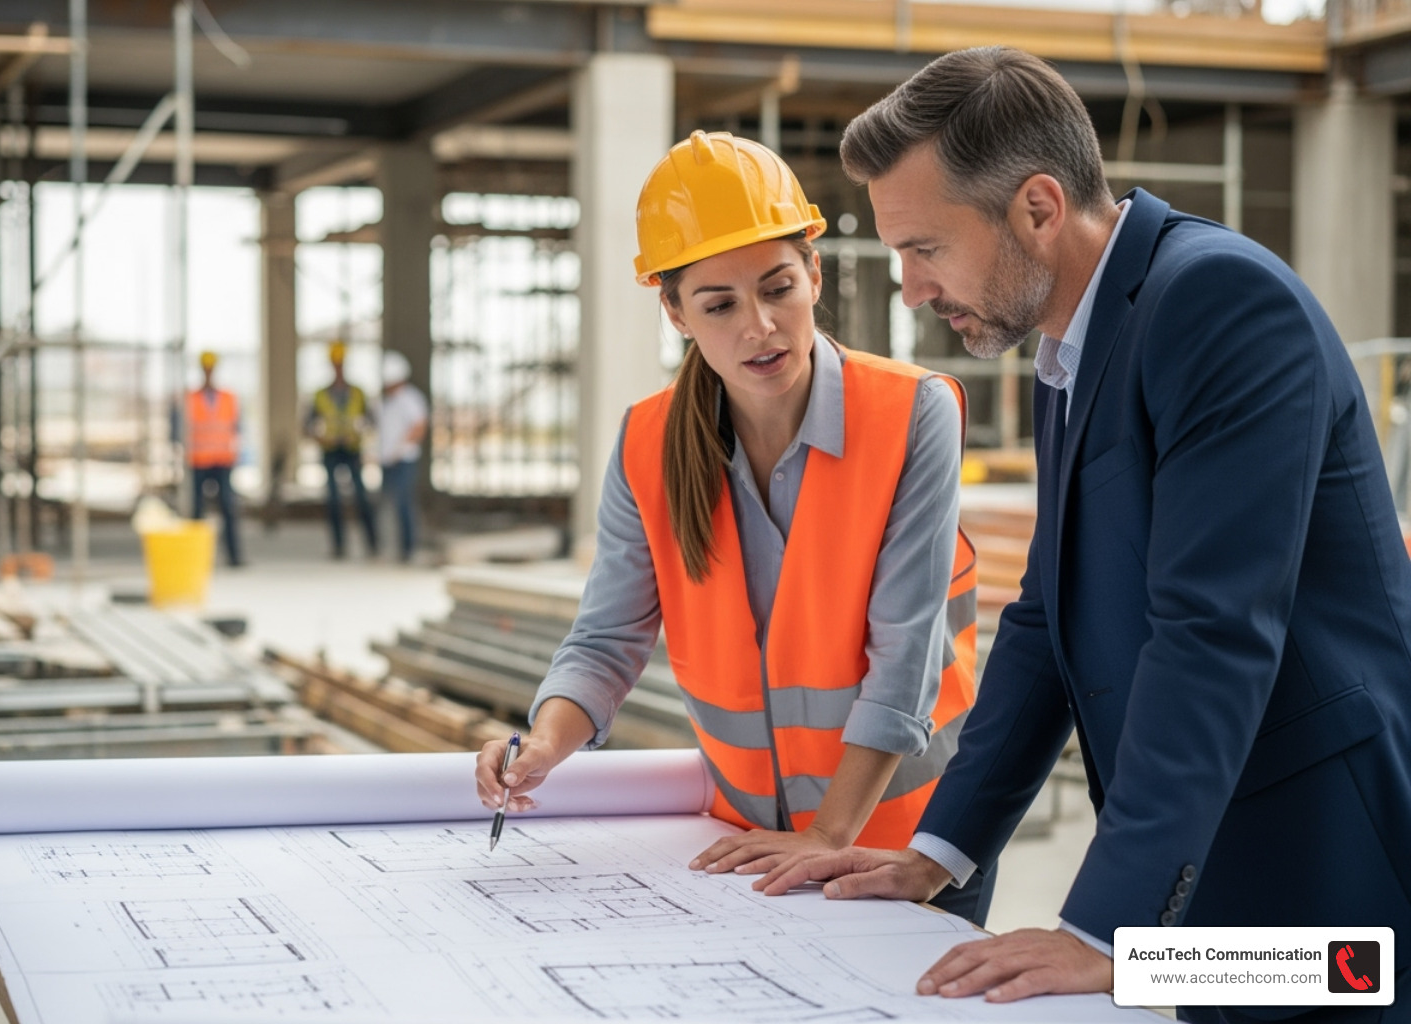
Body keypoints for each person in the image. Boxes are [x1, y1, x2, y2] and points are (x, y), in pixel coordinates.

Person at [757, 47, 1411, 1023]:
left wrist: (1101, 928)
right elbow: (1046, 622)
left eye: (925, 248)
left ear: (1037, 208)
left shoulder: (1220, 305)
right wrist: (935, 853)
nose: (907, 288)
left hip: (1321, 884)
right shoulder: (1070, 348)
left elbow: (1212, 633)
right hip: (1211, 876)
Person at [474, 130, 994, 925]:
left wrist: (828, 832)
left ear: (815, 273)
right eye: (718, 304)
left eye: (778, 287)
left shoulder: (911, 413)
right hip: (753, 843)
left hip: (906, 840)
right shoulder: (648, 443)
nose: (759, 326)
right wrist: (545, 742)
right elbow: (607, 638)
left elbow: (906, 658)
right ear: (675, 310)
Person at [306, 340, 377, 559]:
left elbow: (371, 421)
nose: (338, 367)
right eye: (335, 363)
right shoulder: (320, 395)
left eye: (340, 363)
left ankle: (373, 544)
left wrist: (361, 431)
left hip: (352, 449)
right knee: (334, 500)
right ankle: (339, 547)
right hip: (330, 450)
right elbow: (307, 425)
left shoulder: (358, 393)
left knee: (361, 497)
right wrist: (318, 436)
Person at [185, 350, 244, 567]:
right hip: (198, 460)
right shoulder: (190, 398)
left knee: (228, 508)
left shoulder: (229, 398)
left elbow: (236, 427)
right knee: (197, 512)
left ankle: (234, 556)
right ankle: (196, 560)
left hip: (222, 460)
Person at [372, 349, 428, 562]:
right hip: (388, 461)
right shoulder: (387, 402)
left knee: (404, 503)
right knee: (386, 505)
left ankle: (408, 549)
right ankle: (387, 547)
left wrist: (402, 448)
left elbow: (419, 426)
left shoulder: (410, 399)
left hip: (404, 460)